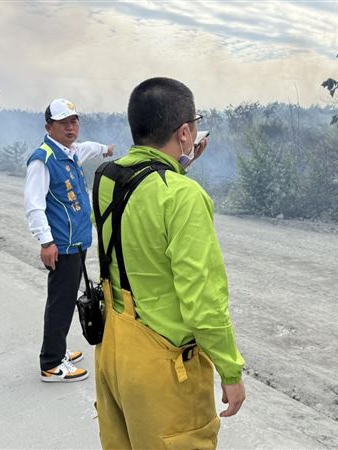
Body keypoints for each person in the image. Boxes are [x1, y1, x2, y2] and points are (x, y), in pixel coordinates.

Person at [93, 77, 245, 449]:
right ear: (184, 131)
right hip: (162, 366)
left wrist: (180, 165)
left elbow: (143, 195)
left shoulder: (106, 177)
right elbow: (203, 302)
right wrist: (230, 370)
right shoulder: (182, 196)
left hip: (113, 350)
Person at [23, 99, 114, 382]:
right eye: (63, 122)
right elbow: (34, 205)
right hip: (60, 244)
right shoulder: (43, 159)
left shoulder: (70, 152)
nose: (70, 127)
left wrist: (105, 150)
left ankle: (58, 350)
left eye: (74, 121)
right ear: (49, 126)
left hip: (76, 242)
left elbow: (88, 147)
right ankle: (51, 363)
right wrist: (46, 242)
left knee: (65, 299)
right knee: (60, 303)